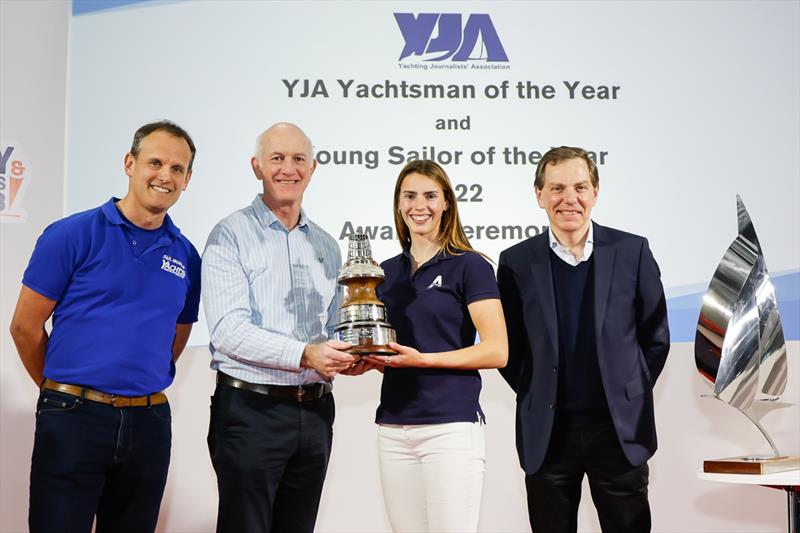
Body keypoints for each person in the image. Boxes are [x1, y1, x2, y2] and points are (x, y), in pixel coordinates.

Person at [9, 120, 201, 533]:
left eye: (177, 168)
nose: (165, 176)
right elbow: (25, 327)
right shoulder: (71, 234)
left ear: (187, 179)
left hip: (149, 424)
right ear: (129, 164)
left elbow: (176, 336)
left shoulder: (186, 254)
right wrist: (64, 392)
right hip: (73, 419)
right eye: (155, 162)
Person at [497, 146, 670, 533]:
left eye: (580, 187)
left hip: (618, 432)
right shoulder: (515, 262)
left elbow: (655, 336)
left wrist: (628, 391)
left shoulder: (632, 251)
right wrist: (535, 390)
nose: (568, 198)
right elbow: (510, 350)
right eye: (557, 188)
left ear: (595, 192)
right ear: (539, 194)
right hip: (549, 434)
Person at [202, 122, 355, 533]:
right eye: (277, 158)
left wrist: (352, 353)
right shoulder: (229, 234)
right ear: (257, 167)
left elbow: (331, 328)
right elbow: (228, 331)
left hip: (316, 412)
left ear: (313, 167)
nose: (288, 168)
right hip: (252, 412)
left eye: (298, 159)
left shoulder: (327, 244)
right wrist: (305, 354)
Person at [351, 159, 508, 533]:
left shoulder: (470, 266)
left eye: (429, 196)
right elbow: (386, 347)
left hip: (450, 428)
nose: (418, 205)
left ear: (447, 204)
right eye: (409, 196)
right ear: (398, 204)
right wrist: (368, 360)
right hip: (393, 428)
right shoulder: (382, 273)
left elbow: (497, 350)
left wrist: (422, 360)